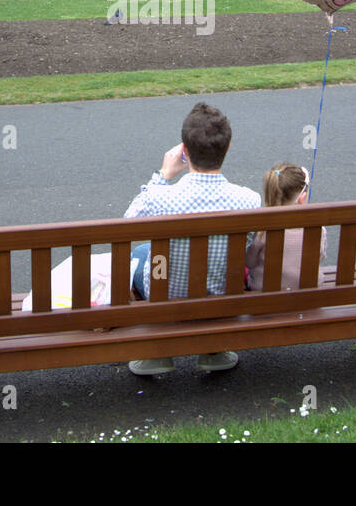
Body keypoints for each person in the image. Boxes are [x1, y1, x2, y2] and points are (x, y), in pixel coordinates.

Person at [124, 102, 260, 375]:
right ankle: (213, 350)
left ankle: (158, 353)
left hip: (166, 294)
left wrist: (163, 175)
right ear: (228, 149)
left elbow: (126, 224)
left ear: (184, 152)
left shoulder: (159, 198)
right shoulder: (249, 200)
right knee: (218, 256)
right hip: (221, 294)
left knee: (140, 254)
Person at [245, 164, 326, 292]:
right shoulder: (317, 228)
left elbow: (249, 262)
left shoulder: (261, 229)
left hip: (264, 292)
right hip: (308, 292)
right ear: (302, 198)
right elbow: (319, 256)